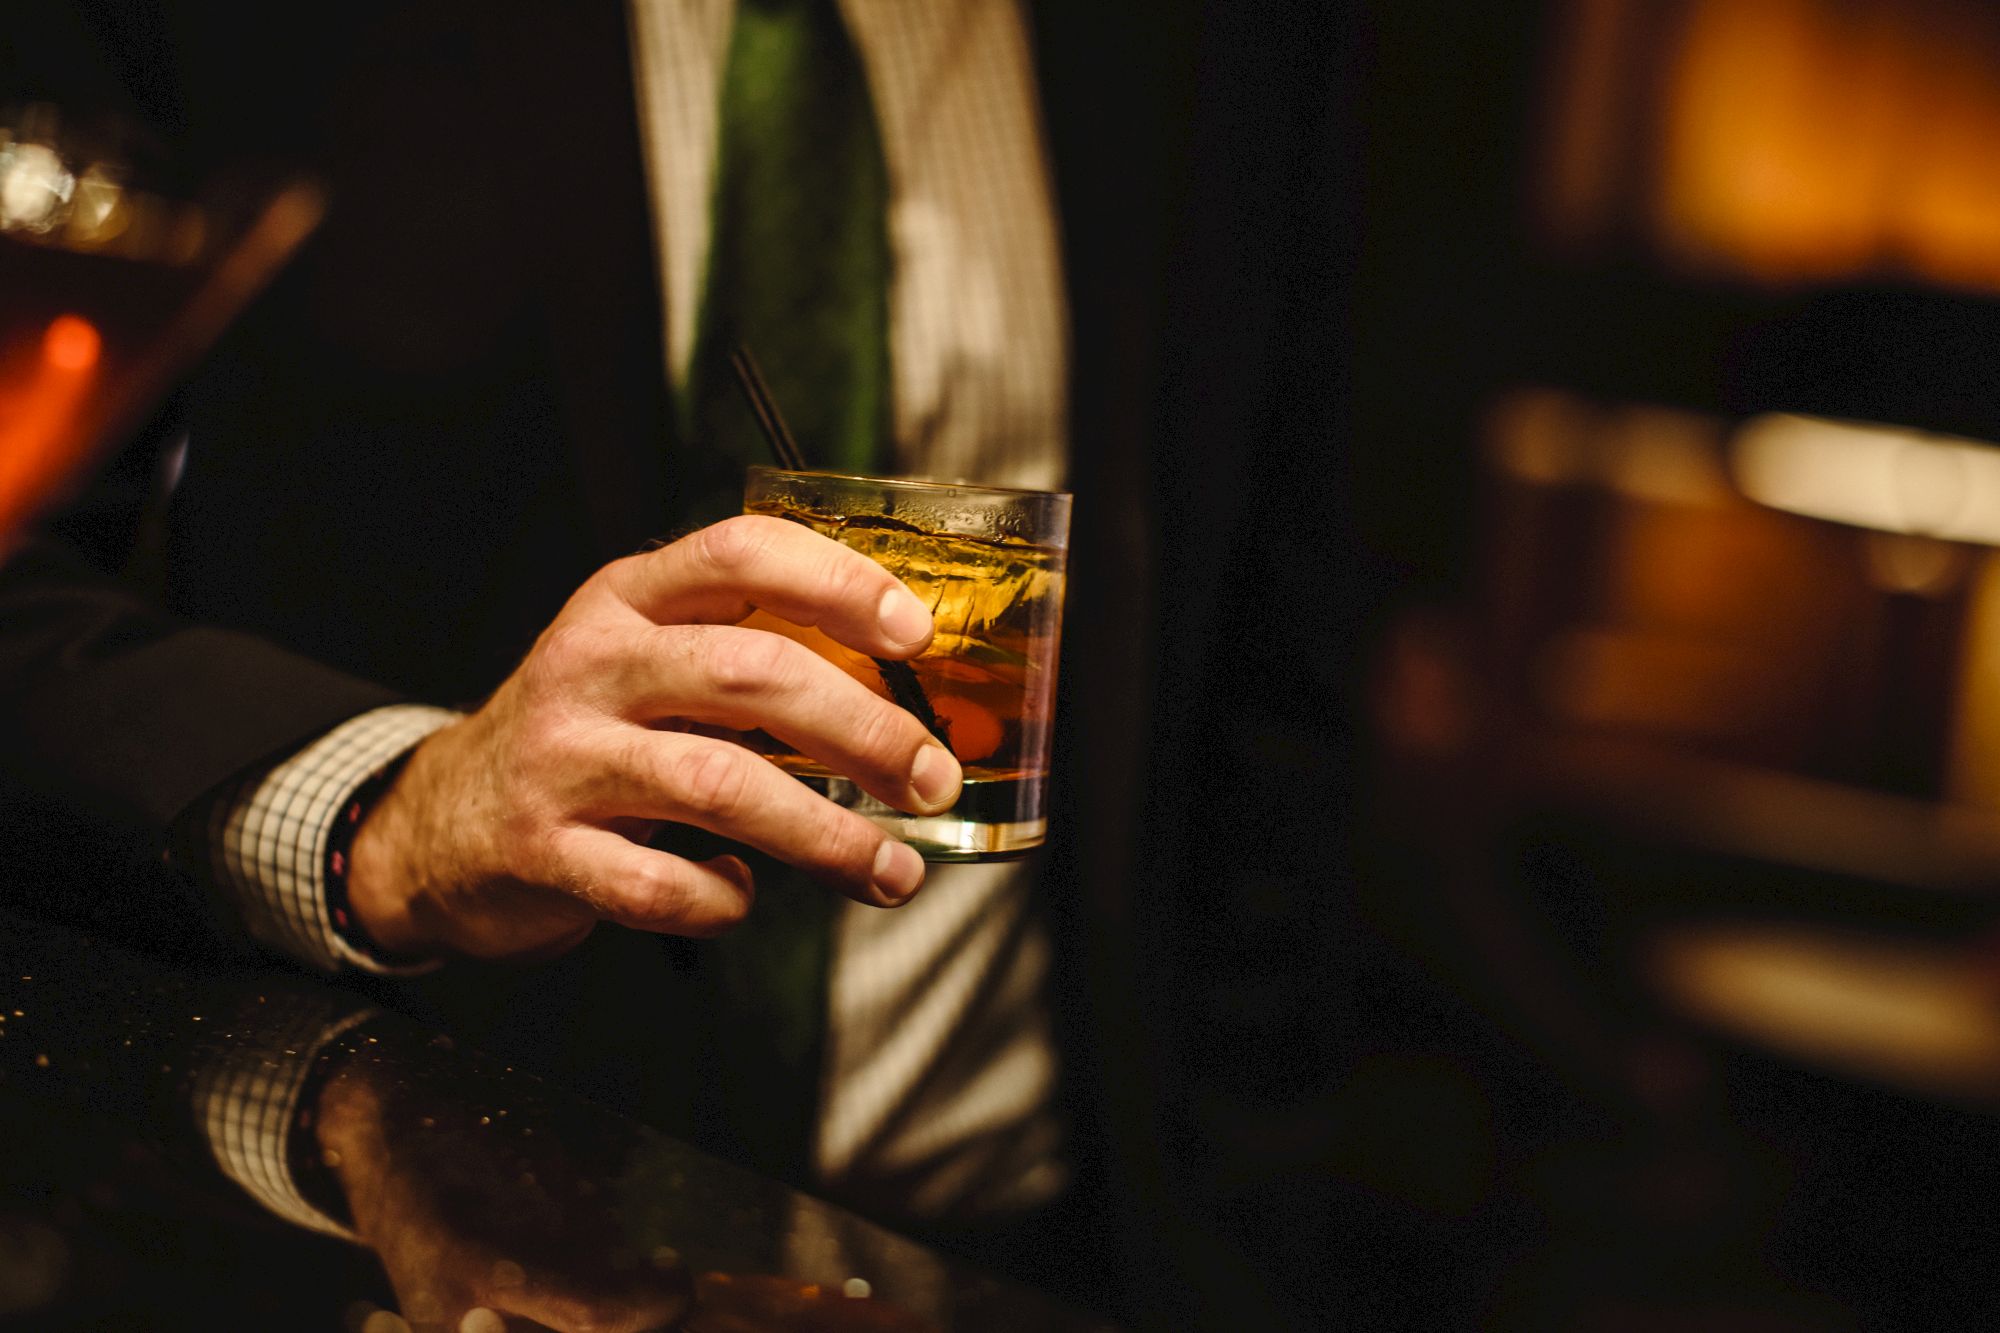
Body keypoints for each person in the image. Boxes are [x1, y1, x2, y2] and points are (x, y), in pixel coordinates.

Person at [0, 0, 1208, 1316]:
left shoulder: (1205, 51)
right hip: (446, 1240)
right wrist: (402, 806)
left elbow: (1264, 678)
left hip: (1024, 1254)